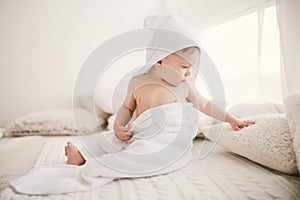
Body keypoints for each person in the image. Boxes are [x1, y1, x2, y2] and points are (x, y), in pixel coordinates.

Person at [65, 46, 255, 166]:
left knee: (144, 152)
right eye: (184, 67)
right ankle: (81, 155)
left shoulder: (184, 86)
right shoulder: (137, 82)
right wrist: (117, 126)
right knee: (106, 140)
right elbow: (126, 108)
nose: (189, 73)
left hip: (164, 140)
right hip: (137, 132)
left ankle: (104, 164)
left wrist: (231, 119)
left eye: (191, 67)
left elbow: (205, 104)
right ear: (160, 61)